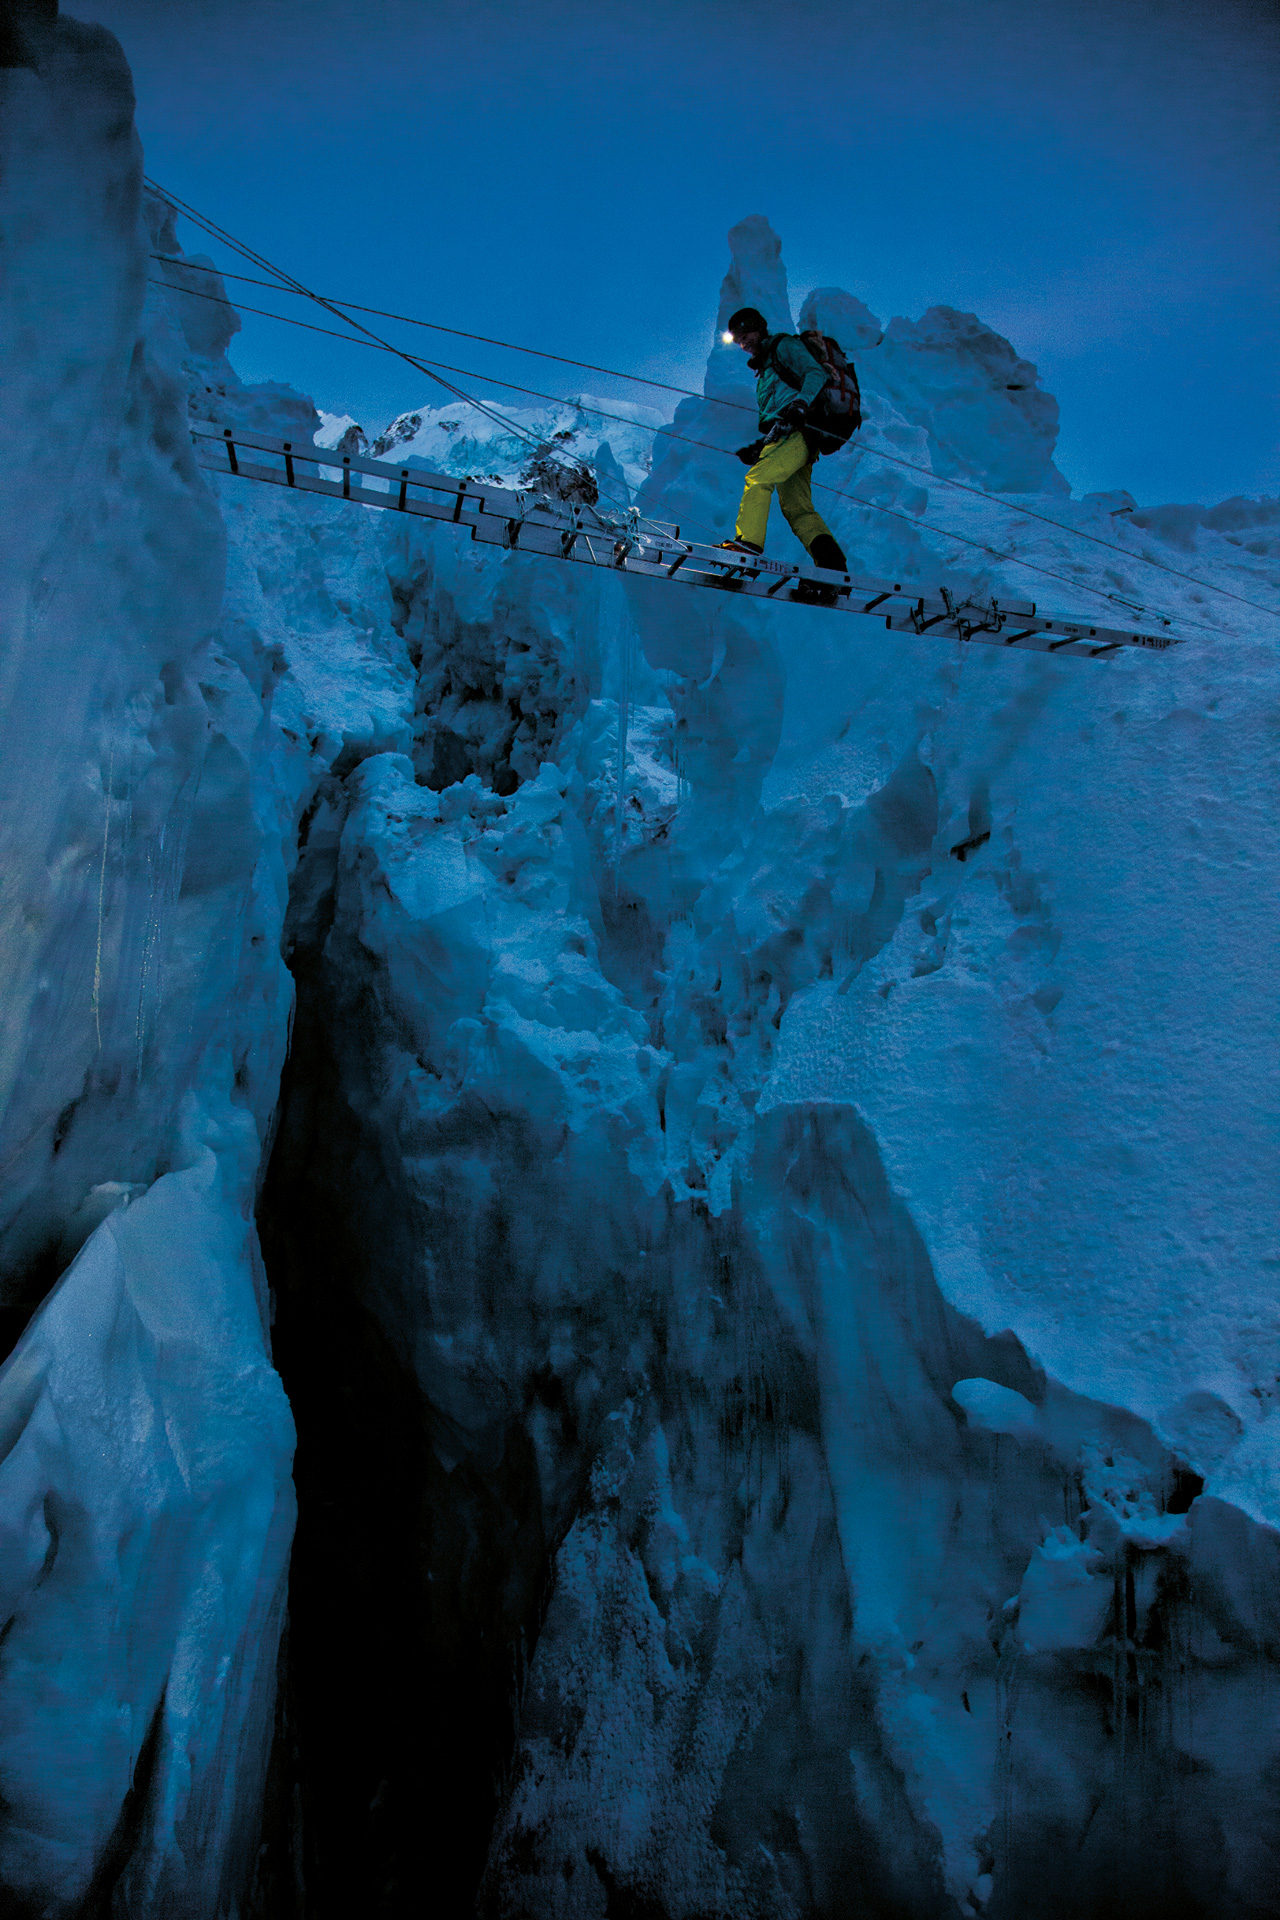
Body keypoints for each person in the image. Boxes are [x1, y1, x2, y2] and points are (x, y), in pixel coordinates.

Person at [718, 307, 849, 574]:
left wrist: (801, 404)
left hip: (800, 433)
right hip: (789, 436)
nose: (744, 343)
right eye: (739, 340)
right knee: (797, 509)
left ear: (760, 327)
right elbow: (779, 414)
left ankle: (748, 545)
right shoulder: (765, 370)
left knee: (758, 478)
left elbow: (816, 374)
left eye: (747, 334)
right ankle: (832, 565)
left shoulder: (784, 346)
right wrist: (760, 445)